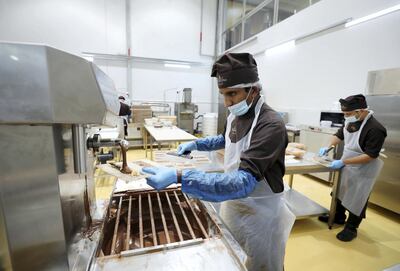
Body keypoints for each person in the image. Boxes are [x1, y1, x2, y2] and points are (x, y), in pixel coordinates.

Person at [142, 53, 295, 271]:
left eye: (232, 94)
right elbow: (225, 139)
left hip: (260, 213)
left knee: (260, 265)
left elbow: (243, 182)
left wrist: (180, 177)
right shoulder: (235, 114)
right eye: (223, 94)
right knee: (233, 259)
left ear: (254, 89)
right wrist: (195, 144)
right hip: (233, 203)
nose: (227, 102)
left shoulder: (271, 125)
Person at [318, 94, 386, 242]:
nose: (345, 117)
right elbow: (339, 135)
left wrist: (344, 162)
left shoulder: (375, 129)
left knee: (358, 198)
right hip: (347, 163)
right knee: (340, 190)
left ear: (360, 111)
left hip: (364, 168)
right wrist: (328, 146)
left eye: (348, 114)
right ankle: (338, 217)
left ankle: (351, 228)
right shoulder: (351, 121)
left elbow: (370, 156)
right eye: (344, 114)